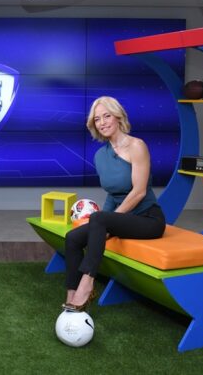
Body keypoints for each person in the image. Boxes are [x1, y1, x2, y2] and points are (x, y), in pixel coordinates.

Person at [63, 96, 166, 311]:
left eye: (107, 116)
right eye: (97, 119)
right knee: (72, 237)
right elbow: (112, 195)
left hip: (148, 219)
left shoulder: (137, 146)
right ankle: (71, 294)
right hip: (121, 219)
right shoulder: (100, 156)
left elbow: (139, 192)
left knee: (99, 219)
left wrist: (106, 222)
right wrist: (100, 225)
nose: (102, 122)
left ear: (118, 117)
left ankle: (87, 284)